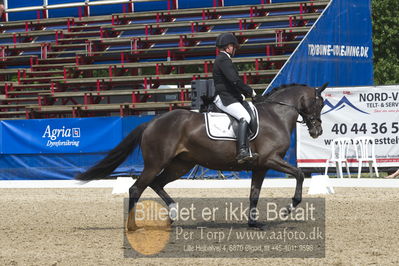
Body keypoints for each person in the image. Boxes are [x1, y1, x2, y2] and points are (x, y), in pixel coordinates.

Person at [212, 32, 258, 164]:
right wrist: (251, 92)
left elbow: (229, 82)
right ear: (227, 47)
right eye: (233, 46)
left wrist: (240, 95)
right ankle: (242, 151)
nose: (234, 49)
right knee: (245, 117)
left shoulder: (222, 59)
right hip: (224, 97)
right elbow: (234, 80)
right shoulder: (224, 59)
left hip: (228, 95)